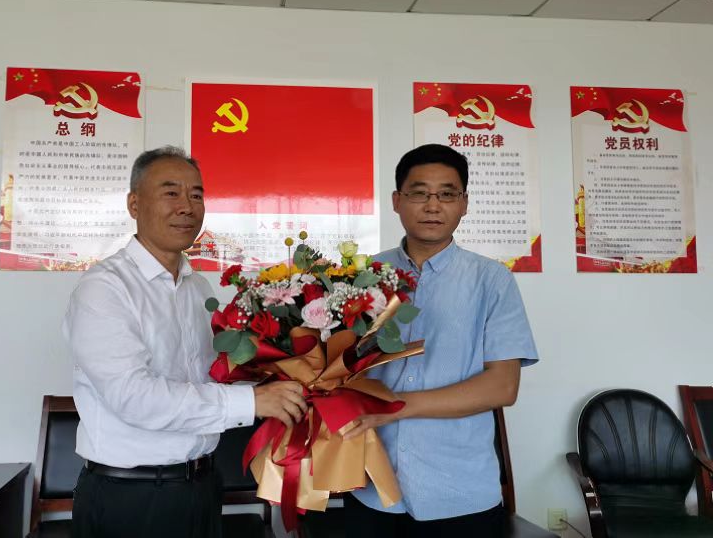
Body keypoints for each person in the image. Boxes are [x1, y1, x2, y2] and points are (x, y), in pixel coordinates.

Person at [63, 146, 307, 538]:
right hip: (132, 497)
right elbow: (134, 396)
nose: (187, 207)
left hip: (202, 486)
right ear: (134, 204)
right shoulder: (105, 288)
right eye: (171, 192)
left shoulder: (197, 288)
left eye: (196, 195)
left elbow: (210, 377)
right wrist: (253, 401)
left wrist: (287, 379)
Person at [344, 143, 538, 538]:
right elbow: (337, 368)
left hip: (459, 491)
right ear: (397, 201)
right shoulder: (362, 277)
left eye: (447, 194)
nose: (433, 206)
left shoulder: (492, 280)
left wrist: (396, 408)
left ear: (464, 203)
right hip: (370, 485)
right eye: (419, 193)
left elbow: (502, 386)